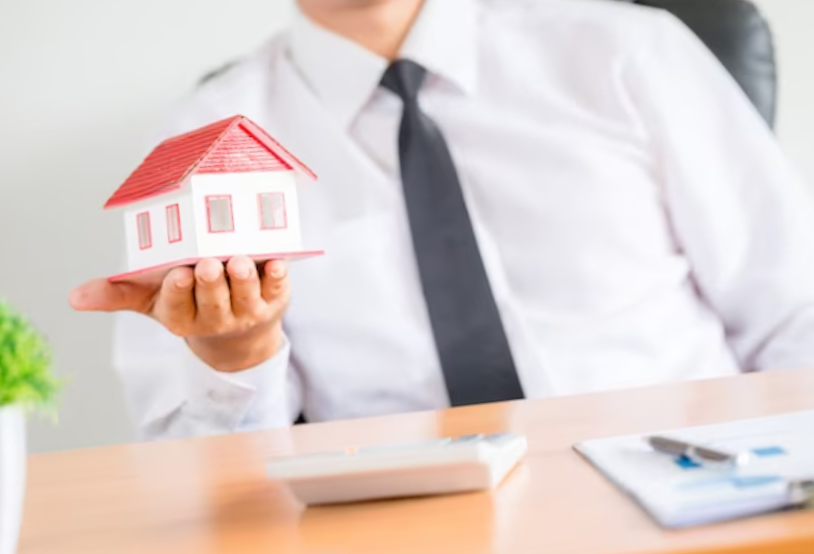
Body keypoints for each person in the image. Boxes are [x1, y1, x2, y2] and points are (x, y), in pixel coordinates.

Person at [70, 0, 814, 441]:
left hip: (691, 482)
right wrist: (236, 363)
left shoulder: (626, 50)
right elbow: (189, 478)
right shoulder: (202, 141)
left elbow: (793, 315)